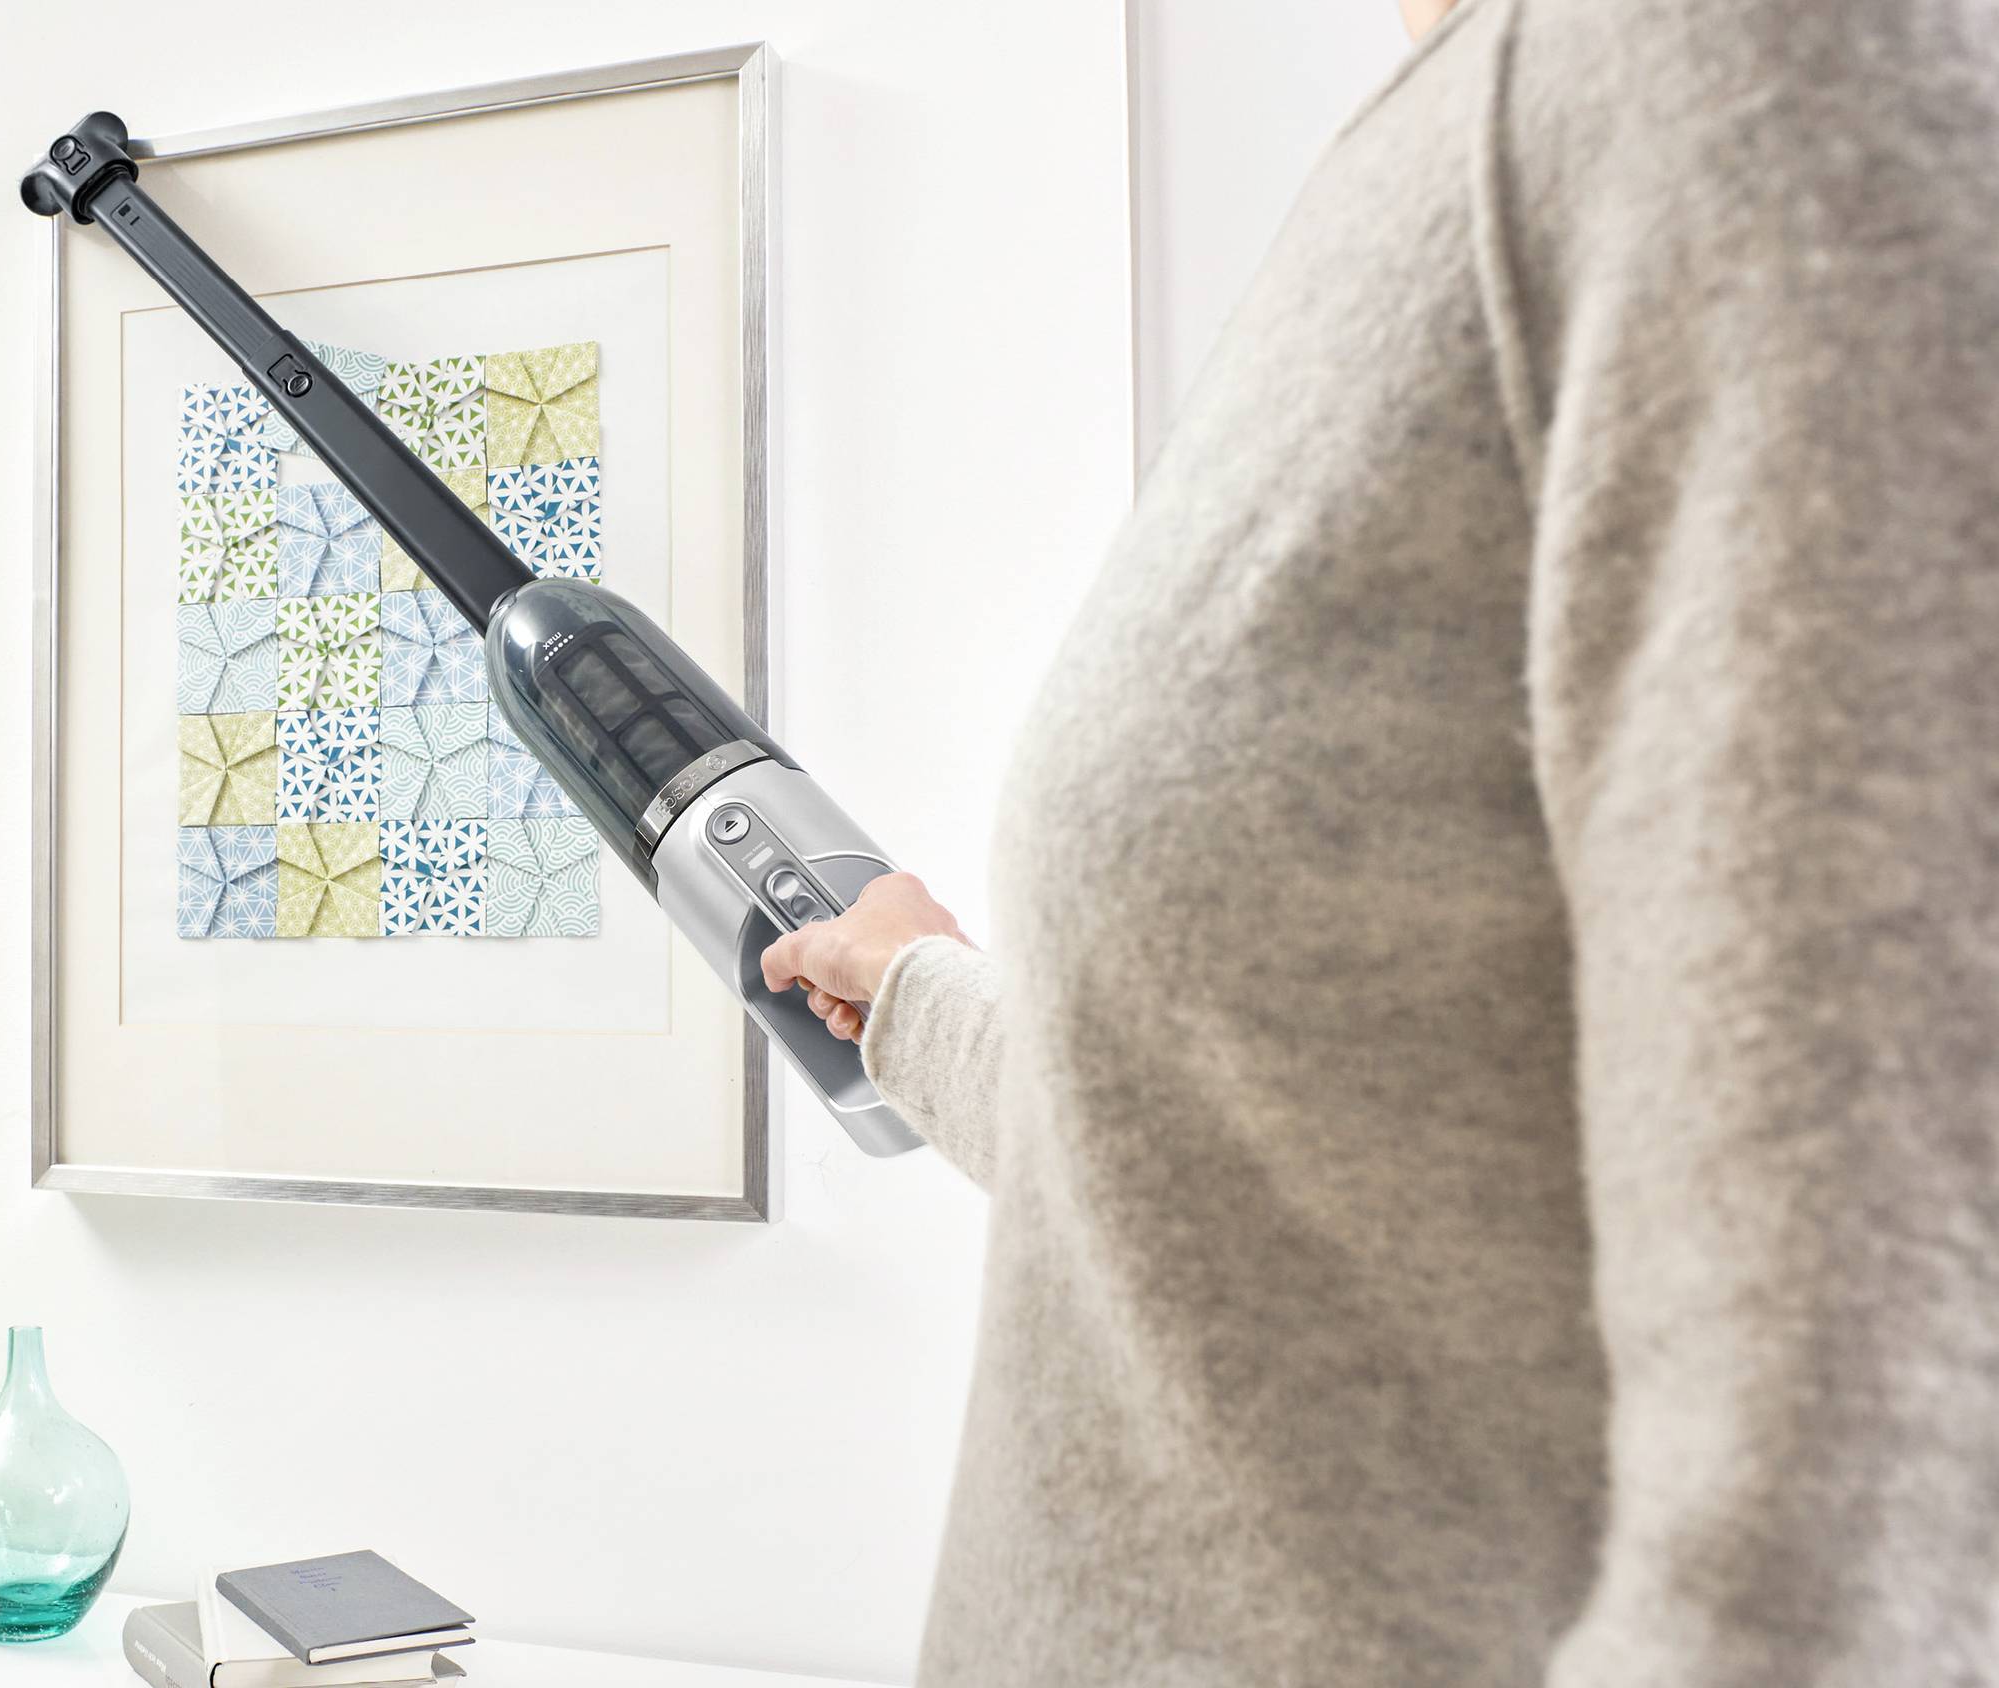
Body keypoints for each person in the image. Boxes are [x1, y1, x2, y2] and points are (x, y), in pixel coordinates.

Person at [758, 0, 1999, 1681]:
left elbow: (1845, 1523)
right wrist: (921, 998)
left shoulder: (1752, 70)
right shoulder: (1437, 141)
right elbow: (1289, 1157)